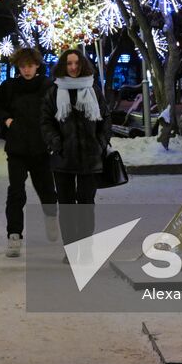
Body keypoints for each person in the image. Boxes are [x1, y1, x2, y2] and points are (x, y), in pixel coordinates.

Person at [0, 47, 59, 257]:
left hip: (42, 148)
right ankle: (14, 234)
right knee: (16, 191)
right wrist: (7, 120)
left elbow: (57, 111)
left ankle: (50, 217)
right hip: (18, 148)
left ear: (37, 65)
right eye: (22, 66)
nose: (26, 70)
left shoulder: (49, 86)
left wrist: (52, 135)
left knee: (47, 190)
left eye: (29, 66)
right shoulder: (9, 87)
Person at [41, 47, 110, 249]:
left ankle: (86, 245)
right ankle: (71, 248)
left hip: (90, 158)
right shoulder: (54, 91)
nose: (73, 67)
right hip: (63, 158)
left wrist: (100, 143)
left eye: (77, 63)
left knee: (86, 205)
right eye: (69, 63)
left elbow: (105, 119)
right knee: (68, 206)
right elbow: (46, 121)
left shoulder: (93, 89)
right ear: (63, 66)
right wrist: (56, 143)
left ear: (83, 65)